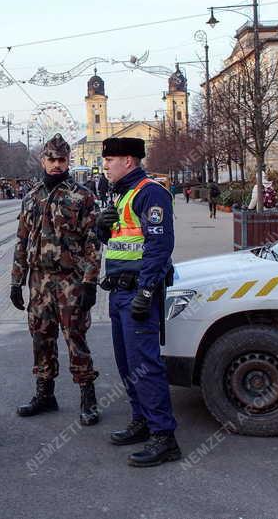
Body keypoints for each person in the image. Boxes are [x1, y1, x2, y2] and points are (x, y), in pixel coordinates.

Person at [95, 137, 180, 467]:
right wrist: (101, 229)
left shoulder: (150, 192)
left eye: (110, 161)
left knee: (145, 365)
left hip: (137, 293)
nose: (105, 166)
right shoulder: (119, 192)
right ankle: (142, 420)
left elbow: (159, 247)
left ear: (128, 161)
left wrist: (146, 291)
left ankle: (164, 436)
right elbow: (120, 240)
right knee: (127, 364)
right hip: (119, 292)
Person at [11, 134, 101, 425]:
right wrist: (16, 281)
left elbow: (93, 242)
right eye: (51, 159)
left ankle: (88, 398)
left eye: (62, 160)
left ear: (68, 161)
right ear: (43, 160)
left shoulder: (83, 196)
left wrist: (89, 282)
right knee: (41, 338)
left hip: (70, 281)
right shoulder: (31, 197)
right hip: (38, 282)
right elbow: (22, 241)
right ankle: (45, 394)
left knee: (75, 338)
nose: (57, 165)